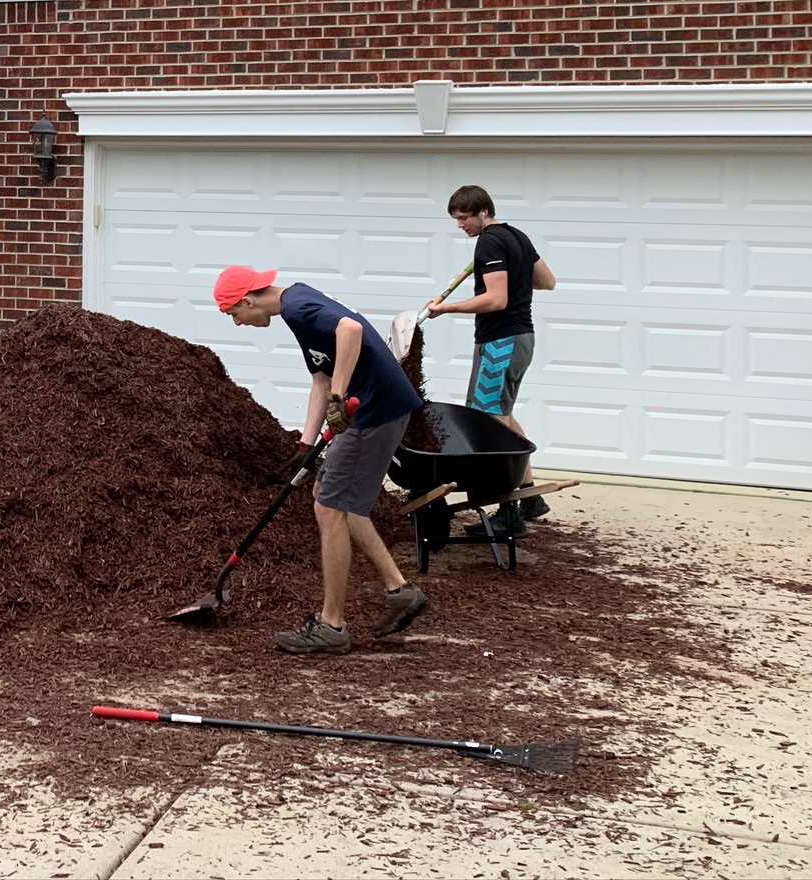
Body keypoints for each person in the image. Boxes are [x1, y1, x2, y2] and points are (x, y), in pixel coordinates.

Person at [214, 265, 429, 652]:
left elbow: (351, 330)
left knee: (330, 508)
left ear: (247, 300)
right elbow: (321, 379)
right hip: (379, 409)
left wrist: (339, 399)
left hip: (374, 412)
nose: (237, 323)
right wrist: (305, 445)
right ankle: (400, 589)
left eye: (233, 314)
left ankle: (332, 626)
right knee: (337, 500)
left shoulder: (297, 306)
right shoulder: (296, 309)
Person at [426, 184, 557, 527]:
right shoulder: (517, 237)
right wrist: (515, 276)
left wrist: (447, 308)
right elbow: (546, 281)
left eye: (465, 217)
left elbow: (496, 300)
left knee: (490, 423)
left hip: (500, 342)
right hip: (521, 338)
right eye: (456, 219)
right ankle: (529, 498)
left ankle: (508, 513)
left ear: (483, 211)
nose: (461, 225)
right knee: (503, 415)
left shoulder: (489, 242)